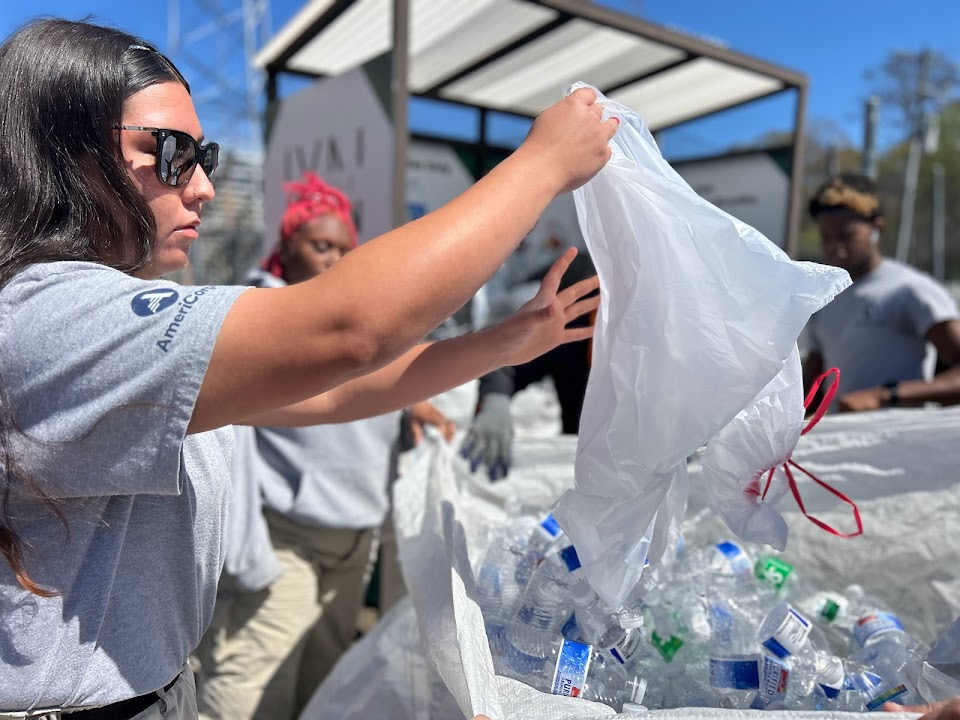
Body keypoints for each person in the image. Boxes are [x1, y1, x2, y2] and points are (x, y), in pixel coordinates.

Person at [0, 17, 614, 719]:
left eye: (206, 155)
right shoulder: (49, 313)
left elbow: (332, 388)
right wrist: (542, 165)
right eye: (171, 152)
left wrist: (499, 347)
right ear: (63, 151)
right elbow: (350, 330)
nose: (200, 186)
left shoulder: (94, 312)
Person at [196, 173, 456, 720]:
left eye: (345, 248)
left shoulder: (354, 315)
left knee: (329, 679)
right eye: (321, 247)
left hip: (355, 542)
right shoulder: (259, 316)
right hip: (286, 542)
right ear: (287, 250)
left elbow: (373, 372)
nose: (335, 260)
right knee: (253, 686)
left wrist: (416, 402)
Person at [803, 173, 960, 412]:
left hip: (897, 442)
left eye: (846, 236)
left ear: (876, 228)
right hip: (839, 441)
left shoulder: (909, 289)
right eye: (826, 238)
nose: (835, 247)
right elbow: (811, 387)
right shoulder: (825, 297)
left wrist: (885, 395)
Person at [461, 251, 597, 479]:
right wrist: (495, 398)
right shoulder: (578, 323)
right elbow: (511, 360)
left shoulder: (671, 348)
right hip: (582, 476)